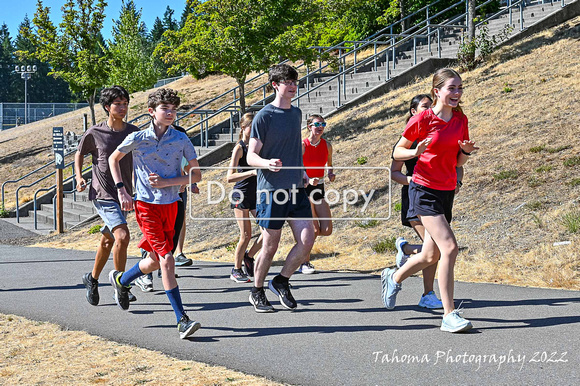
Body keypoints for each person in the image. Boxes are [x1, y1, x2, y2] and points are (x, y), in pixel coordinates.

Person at [382, 68, 478, 333]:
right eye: (452, 88)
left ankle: (394, 276)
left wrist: (466, 154)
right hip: (423, 189)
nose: (457, 93)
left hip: (446, 189)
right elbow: (398, 152)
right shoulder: (423, 119)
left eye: (460, 88)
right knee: (449, 248)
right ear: (437, 91)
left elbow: (458, 160)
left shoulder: (460, 119)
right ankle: (449, 315)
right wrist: (416, 150)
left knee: (430, 253)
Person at [108, 88, 202, 339]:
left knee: (151, 261)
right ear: (152, 111)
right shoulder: (138, 138)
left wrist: (169, 181)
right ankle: (182, 319)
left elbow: (196, 174)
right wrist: (122, 190)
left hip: (172, 204)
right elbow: (113, 160)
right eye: (165, 109)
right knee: (167, 260)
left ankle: (121, 280)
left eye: (174, 109)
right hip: (146, 206)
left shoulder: (181, 139)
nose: (170, 113)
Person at [246, 64, 315, 313]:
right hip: (271, 189)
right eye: (288, 81)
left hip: (296, 187)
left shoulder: (296, 114)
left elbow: (294, 148)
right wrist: (267, 163)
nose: (293, 85)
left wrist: (303, 171)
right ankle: (257, 290)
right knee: (270, 245)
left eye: (295, 81)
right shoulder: (264, 116)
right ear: (275, 85)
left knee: (307, 240)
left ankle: (281, 280)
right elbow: (251, 156)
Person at [75, 85, 139, 306]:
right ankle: (121, 284)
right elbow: (79, 153)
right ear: (107, 107)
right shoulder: (95, 132)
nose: (123, 108)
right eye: (117, 104)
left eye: (125, 103)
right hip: (103, 193)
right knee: (122, 236)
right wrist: (79, 177)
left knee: (108, 240)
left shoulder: (133, 132)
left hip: (125, 194)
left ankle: (91, 279)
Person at [134, 125, 196, 293]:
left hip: (176, 198)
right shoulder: (152, 145)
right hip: (152, 200)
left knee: (170, 241)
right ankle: (146, 274)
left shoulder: (182, 146)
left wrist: (188, 183)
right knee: (160, 247)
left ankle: (156, 268)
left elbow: (190, 171)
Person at [226, 112, 263, 283]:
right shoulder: (239, 148)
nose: (255, 129)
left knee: (269, 230)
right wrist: (251, 172)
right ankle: (236, 269)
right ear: (243, 128)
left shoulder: (259, 146)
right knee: (246, 235)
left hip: (257, 194)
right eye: (251, 126)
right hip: (240, 194)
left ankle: (249, 256)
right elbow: (229, 177)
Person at [299, 114, 335, 274]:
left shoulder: (327, 145)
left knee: (326, 229)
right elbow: (295, 169)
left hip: (319, 188)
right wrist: (307, 178)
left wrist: (330, 173)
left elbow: (330, 163)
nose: (320, 127)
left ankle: (300, 247)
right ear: (309, 127)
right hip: (304, 189)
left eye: (323, 124)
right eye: (317, 124)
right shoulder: (302, 145)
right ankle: (304, 263)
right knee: (313, 230)